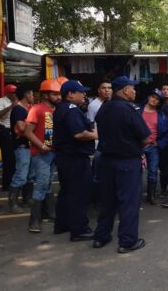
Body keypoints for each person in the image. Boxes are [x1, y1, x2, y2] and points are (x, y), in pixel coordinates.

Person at [93, 76, 151, 253]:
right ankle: (127, 241)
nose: (135, 91)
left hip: (107, 160)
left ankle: (101, 237)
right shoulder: (128, 109)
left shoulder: (104, 108)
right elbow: (146, 138)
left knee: (107, 201)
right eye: (132, 88)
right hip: (127, 162)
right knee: (129, 202)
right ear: (125, 90)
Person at [52, 80, 97, 241]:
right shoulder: (71, 110)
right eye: (81, 92)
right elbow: (79, 134)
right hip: (74, 159)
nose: (84, 94)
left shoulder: (61, 108)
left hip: (65, 158)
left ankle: (62, 224)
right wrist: (97, 134)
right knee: (79, 193)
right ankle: (79, 230)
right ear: (70, 94)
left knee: (66, 192)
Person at [23, 79, 62, 233]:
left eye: (59, 94)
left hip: (53, 152)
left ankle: (48, 214)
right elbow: (27, 132)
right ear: (46, 95)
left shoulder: (56, 110)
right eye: (55, 94)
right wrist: (41, 146)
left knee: (47, 183)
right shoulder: (37, 109)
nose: (59, 97)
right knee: (41, 184)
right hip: (41, 154)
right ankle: (34, 220)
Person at [7, 86, 35, 214]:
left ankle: (27, 199)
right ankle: (12, 204)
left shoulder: (26, 109)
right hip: (21, 146)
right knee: (21, 175)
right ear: (26, 95)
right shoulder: (18, 109)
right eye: (32, 94)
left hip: (28, 145)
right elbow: (21, 127)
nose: (33, 97)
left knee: (30, 175)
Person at [141, 89, 168, 205]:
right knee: (137, 172)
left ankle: (151, 196)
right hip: (138, 147)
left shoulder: (161, 116)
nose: (154, 100)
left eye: (157, 99)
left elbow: (167, 133)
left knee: (153, 171)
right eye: (153, 97)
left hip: (153, 147)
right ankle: (135, 196)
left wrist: (159, 143)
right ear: (148, 97)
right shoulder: (137, 111)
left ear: (159, 103)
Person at [86, 80, 112, 203]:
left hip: (110, 144)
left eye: (109, 88)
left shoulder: (112, 103)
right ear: (98, 90)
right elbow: (90, 124)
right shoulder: (93, 105)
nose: (107, 90)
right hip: (98, 145)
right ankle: (96, 200)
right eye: (104, 88)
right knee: (97, 173)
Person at [0, 84, 19, 191]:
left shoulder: (16, 101)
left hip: (14, 131)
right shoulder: (1, 101)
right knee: (8, 159)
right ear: (7, 93)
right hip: (4, 131)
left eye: (14, 92)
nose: (13, 94)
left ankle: (14, 182)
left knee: (14, 158)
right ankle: (6, 184)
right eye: (11, 93)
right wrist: (11, 106)